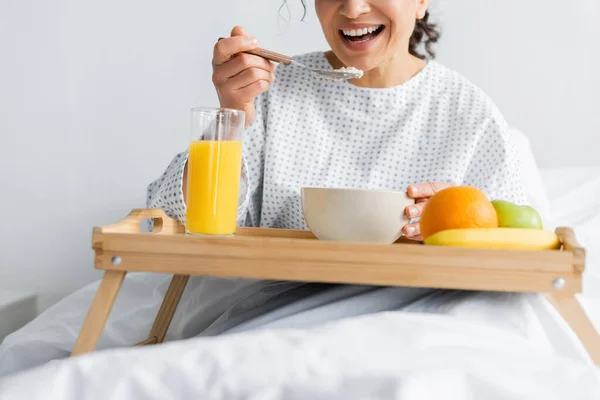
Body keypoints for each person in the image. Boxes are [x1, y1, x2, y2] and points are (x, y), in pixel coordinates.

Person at [1, 0, 538, 378]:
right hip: (268, 317)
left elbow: (526, 246)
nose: (352, 8)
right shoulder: (273, 92)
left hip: (411, 323)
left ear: (421, 1)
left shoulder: (469, 115)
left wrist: (468, 220)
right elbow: (173, 217)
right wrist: (232, 114)